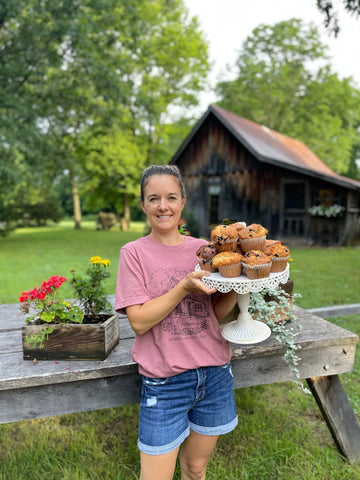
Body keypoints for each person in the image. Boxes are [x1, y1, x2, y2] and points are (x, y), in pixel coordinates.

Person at [115, 165, 238, 480]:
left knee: (196, 469)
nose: (163, 206)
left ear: (183, 201)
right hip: (165, 383)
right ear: (143, 205)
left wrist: (241, 284)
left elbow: (214, 313)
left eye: (171, 197)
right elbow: (139, 322)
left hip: (214, 376)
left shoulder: (203, 250)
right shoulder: (134, 254)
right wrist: (183, 286)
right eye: (153, 198)